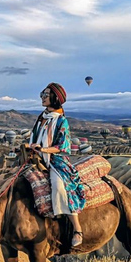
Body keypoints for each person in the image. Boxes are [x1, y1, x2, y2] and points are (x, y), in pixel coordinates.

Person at [27, 82, 86, 247]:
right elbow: (34, 137)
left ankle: (77, 229)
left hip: (56, 161)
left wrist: (44, 149)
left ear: (55, 98)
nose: (43, 97)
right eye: (42, 94)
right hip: (37, 157)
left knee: (59, 186)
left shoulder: (62, 121)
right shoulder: (42, 117)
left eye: (46, 95)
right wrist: (29, 147)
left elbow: (63, 147)